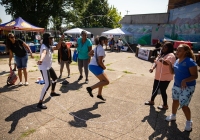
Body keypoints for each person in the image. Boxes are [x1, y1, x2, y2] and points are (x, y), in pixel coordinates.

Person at [165, 44, 198, 132]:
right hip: (176, 85)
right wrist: (169, 65)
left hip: (187, 87)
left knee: (184, 105)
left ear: (185, 52)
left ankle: (189, 121)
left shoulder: (190, 61)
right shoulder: (177, 60)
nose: (177, 52)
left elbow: (195, 76)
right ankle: (173, 115)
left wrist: (185, 80)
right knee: (175, 101)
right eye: (177, 50)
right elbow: (172, 72)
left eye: (179, 50)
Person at [145, 42, 176, 110]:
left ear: (169, 48)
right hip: (158, 76)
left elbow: (167, 63)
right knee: (154, 89)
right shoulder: (161, 54)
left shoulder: (171, 55)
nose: (163, 48)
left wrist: (163, 61)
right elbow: (156, 62)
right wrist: (152, 68)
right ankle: (152, 101)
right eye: (163, 47)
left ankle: (165, 105)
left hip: (165, 77)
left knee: (162, 91)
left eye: (165, 47)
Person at [37, 33, 63, 109]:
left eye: (52, 38)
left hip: (48, 66)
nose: (52, 40)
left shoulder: (49, 46)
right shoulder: (44, 46)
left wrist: (61, 39)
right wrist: (41, 60)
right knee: (47, 84)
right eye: (50, 38)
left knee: (55, 78)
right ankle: (40, 102)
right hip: (44, 67)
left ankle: (52, 92)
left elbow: (57, 47)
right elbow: (44, 53)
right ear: (46, 39)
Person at [86, 36, 110, 101]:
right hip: (95, 66)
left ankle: (99, 95)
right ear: (102, 41)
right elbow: (100, 61)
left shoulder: (97, 47)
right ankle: (90, 88)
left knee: (102, 81)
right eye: (106, 40)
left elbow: (89, 53)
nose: (107, 41)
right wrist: (104, 67)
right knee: (106, 82)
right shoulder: (101, 49)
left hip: (92, 65)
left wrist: (94, 56)